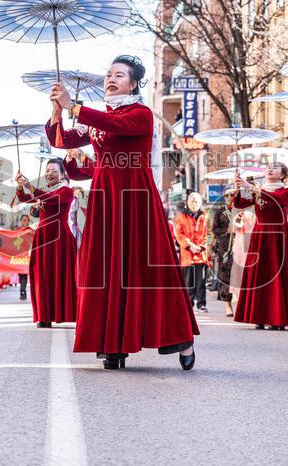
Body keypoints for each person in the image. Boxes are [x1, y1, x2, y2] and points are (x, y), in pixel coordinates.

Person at [46, 54, 197, 370]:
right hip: (104, 197)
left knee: (148, 267)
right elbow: (62, 140)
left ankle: (180, 336)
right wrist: (57, 110)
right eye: (108, 75)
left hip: (135, 196)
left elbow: (116, 125)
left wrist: (75, 108)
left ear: (133, 83)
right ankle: (113, 344)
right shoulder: (100, 118)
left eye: (118, 75)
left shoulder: (141, 114)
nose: (110, 80)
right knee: (106, 267)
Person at [231, 162, 288, 331]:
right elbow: (239, 203)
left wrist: (252, 188)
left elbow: (276, 201)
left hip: (278, 236)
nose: (270, 168)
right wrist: (239, 186)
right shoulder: (258, 189)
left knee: (277, 276)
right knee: (259, 276)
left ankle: (278, 318)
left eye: (276, 167)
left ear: (283, 175)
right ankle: (258, 316)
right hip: (260, 235)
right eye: (269, 166)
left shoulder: (286, 191)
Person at [15, 159, 78, 328]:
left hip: (59, 237)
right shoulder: (43, 192)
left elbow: (51, 199)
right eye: (47, 170)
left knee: (60, 274)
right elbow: (24, 198)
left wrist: (32, 188)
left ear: (63, 174)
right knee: (42, 275)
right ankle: (44, 315)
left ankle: (63, 312)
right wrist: (21, 185)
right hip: (42, 236)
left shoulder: (67, 191)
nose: (49, 173)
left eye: (54, 171)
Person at [173, 191, 212, 312]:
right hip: (187, 255)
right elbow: (178, 234)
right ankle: (188, 304)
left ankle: (201, 304)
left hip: (201, 254)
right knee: (188, 281)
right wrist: (189, 245)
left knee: (201, 282)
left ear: (200, 203)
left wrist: (201, 247)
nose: (194, 204)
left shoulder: (206, 216)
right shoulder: (180, 217)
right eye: (192, 201)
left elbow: (210, 233)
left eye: (196, 201)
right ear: (187, 202)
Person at [210, 191, 236, 317]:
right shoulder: (220, 212)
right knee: (225, 274)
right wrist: (226, 231)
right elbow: (215, 229)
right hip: (225, 247)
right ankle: (228, 304)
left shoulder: (242, 210)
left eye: (232, 194)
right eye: (226, 195)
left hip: (241, 245)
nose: (229, 197)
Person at [14, 213, 32, 301]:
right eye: (23, 220)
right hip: (19, 257)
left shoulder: (31, 231)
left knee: (24, 274)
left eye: (26, 220)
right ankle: (22, 290)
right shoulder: (17, 231)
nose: (24, 222)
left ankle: (23, 291)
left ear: (28, 222)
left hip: (27, 256)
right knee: (21, 275)